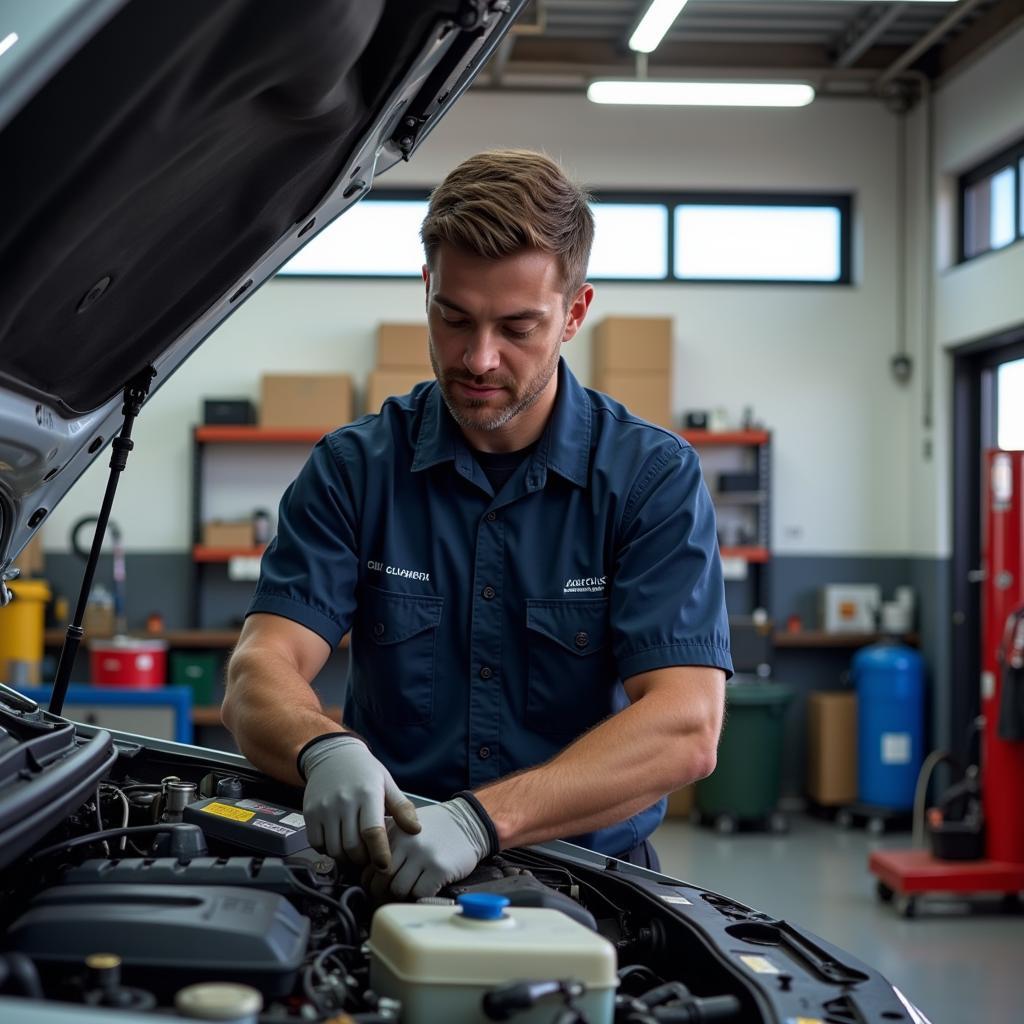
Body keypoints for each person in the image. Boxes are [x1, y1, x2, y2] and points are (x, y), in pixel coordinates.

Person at [222, 149, 732, 900]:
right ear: (426, 289)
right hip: (387, 875)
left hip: (587, 886)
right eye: (453, 318)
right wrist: (321, 747)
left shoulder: (649, 480)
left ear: (575, 314)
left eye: (517, 327)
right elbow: (257, 670)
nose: (479, 357)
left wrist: (483, 821)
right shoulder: (355, 470)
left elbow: (686, 726)